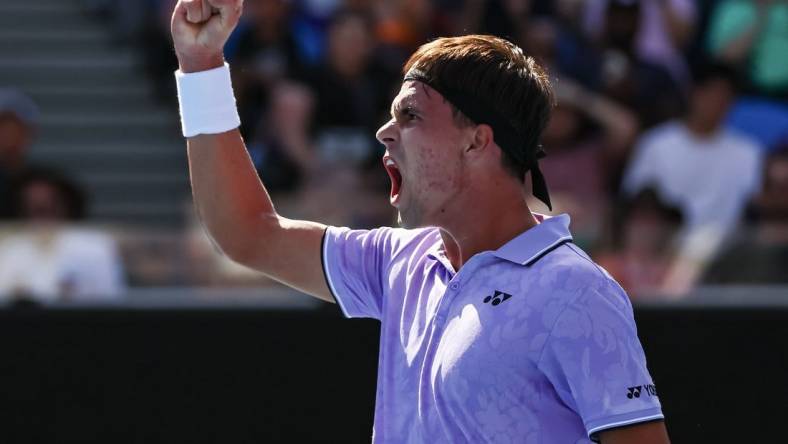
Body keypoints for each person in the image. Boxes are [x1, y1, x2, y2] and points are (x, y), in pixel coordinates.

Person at [170, 1, 670, 442]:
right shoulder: (399, 261)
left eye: (410, 116)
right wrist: (201, 66)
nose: (384, 133)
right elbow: (246, 233)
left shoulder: (576, 291)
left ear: (477, 141)